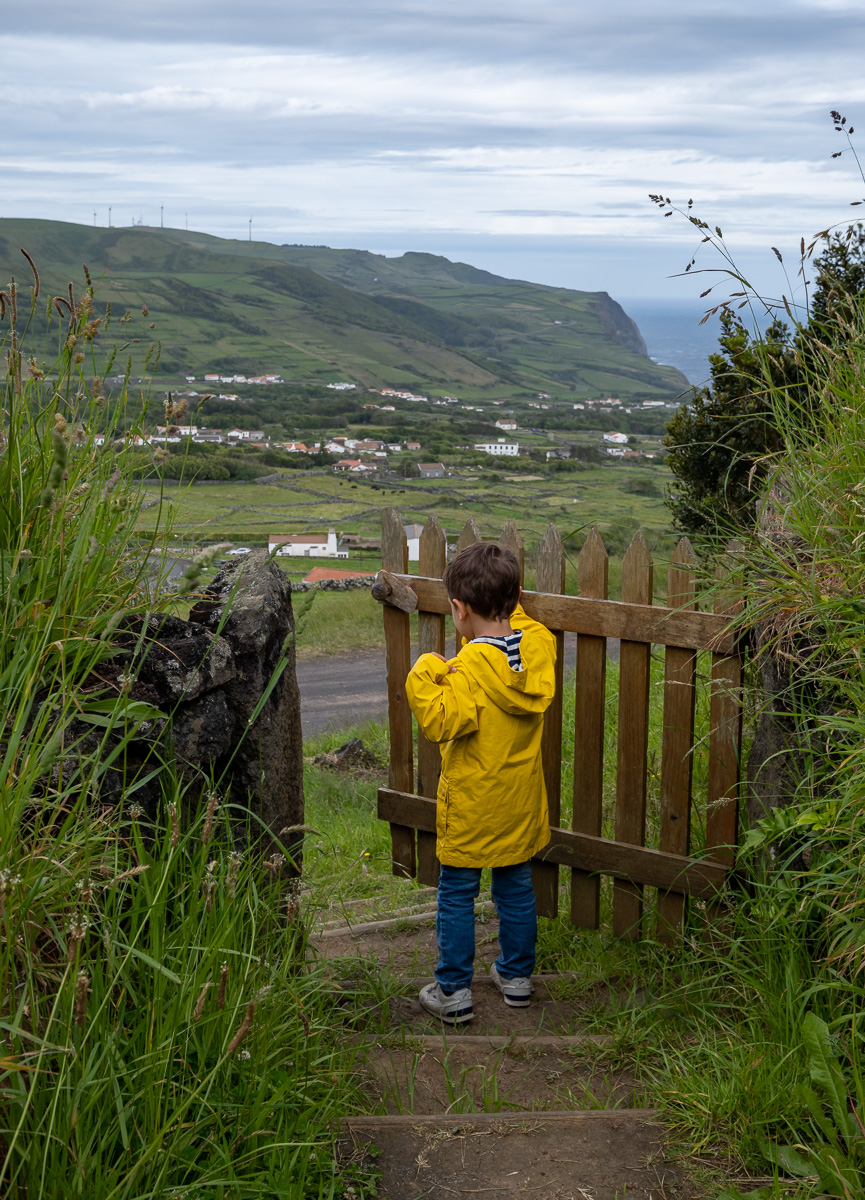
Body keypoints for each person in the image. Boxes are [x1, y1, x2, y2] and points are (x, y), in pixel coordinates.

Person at [405, 541, 556, 1024]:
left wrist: (425, 670)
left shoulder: (465, 670)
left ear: (459, 608)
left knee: (456, 894)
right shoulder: (537, 649)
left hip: (471, 806)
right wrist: (507, 601)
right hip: (519, 802)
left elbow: (439, 722)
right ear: (515, 599)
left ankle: (453, 992)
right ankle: (516, 977)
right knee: (516, 889)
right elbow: (522, 622)